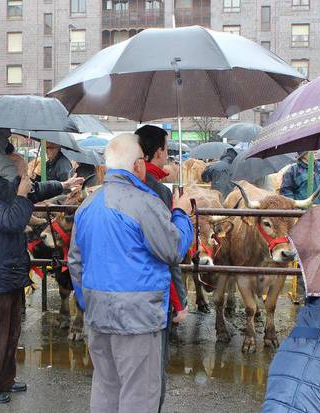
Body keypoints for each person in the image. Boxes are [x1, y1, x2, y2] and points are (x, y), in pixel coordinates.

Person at [68, 133, 194, 413]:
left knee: (105, 387)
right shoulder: (144, 203)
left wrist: (88, 302)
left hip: (98, 314)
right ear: (138, 165)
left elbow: (75, 263)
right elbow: (173, 249)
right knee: (138, 396)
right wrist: (181, 214)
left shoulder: (87, 206)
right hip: (138, 319)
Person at [0, 146, 71, 404]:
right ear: (5, 166)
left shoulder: (6, 187)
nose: (25, 170)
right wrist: (23, 196)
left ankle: (4, 380)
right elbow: (12, 220)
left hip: (11, 267)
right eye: (20, 165)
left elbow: (37, 191)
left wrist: (64, 185)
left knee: (11, 331)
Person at [135, 125, 188, 320]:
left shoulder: (120, 184)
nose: (167, 155)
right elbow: (168, 249)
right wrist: (179, 301)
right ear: (159, 152)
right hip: (151, 291)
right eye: (166, 149)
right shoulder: (158, 191)